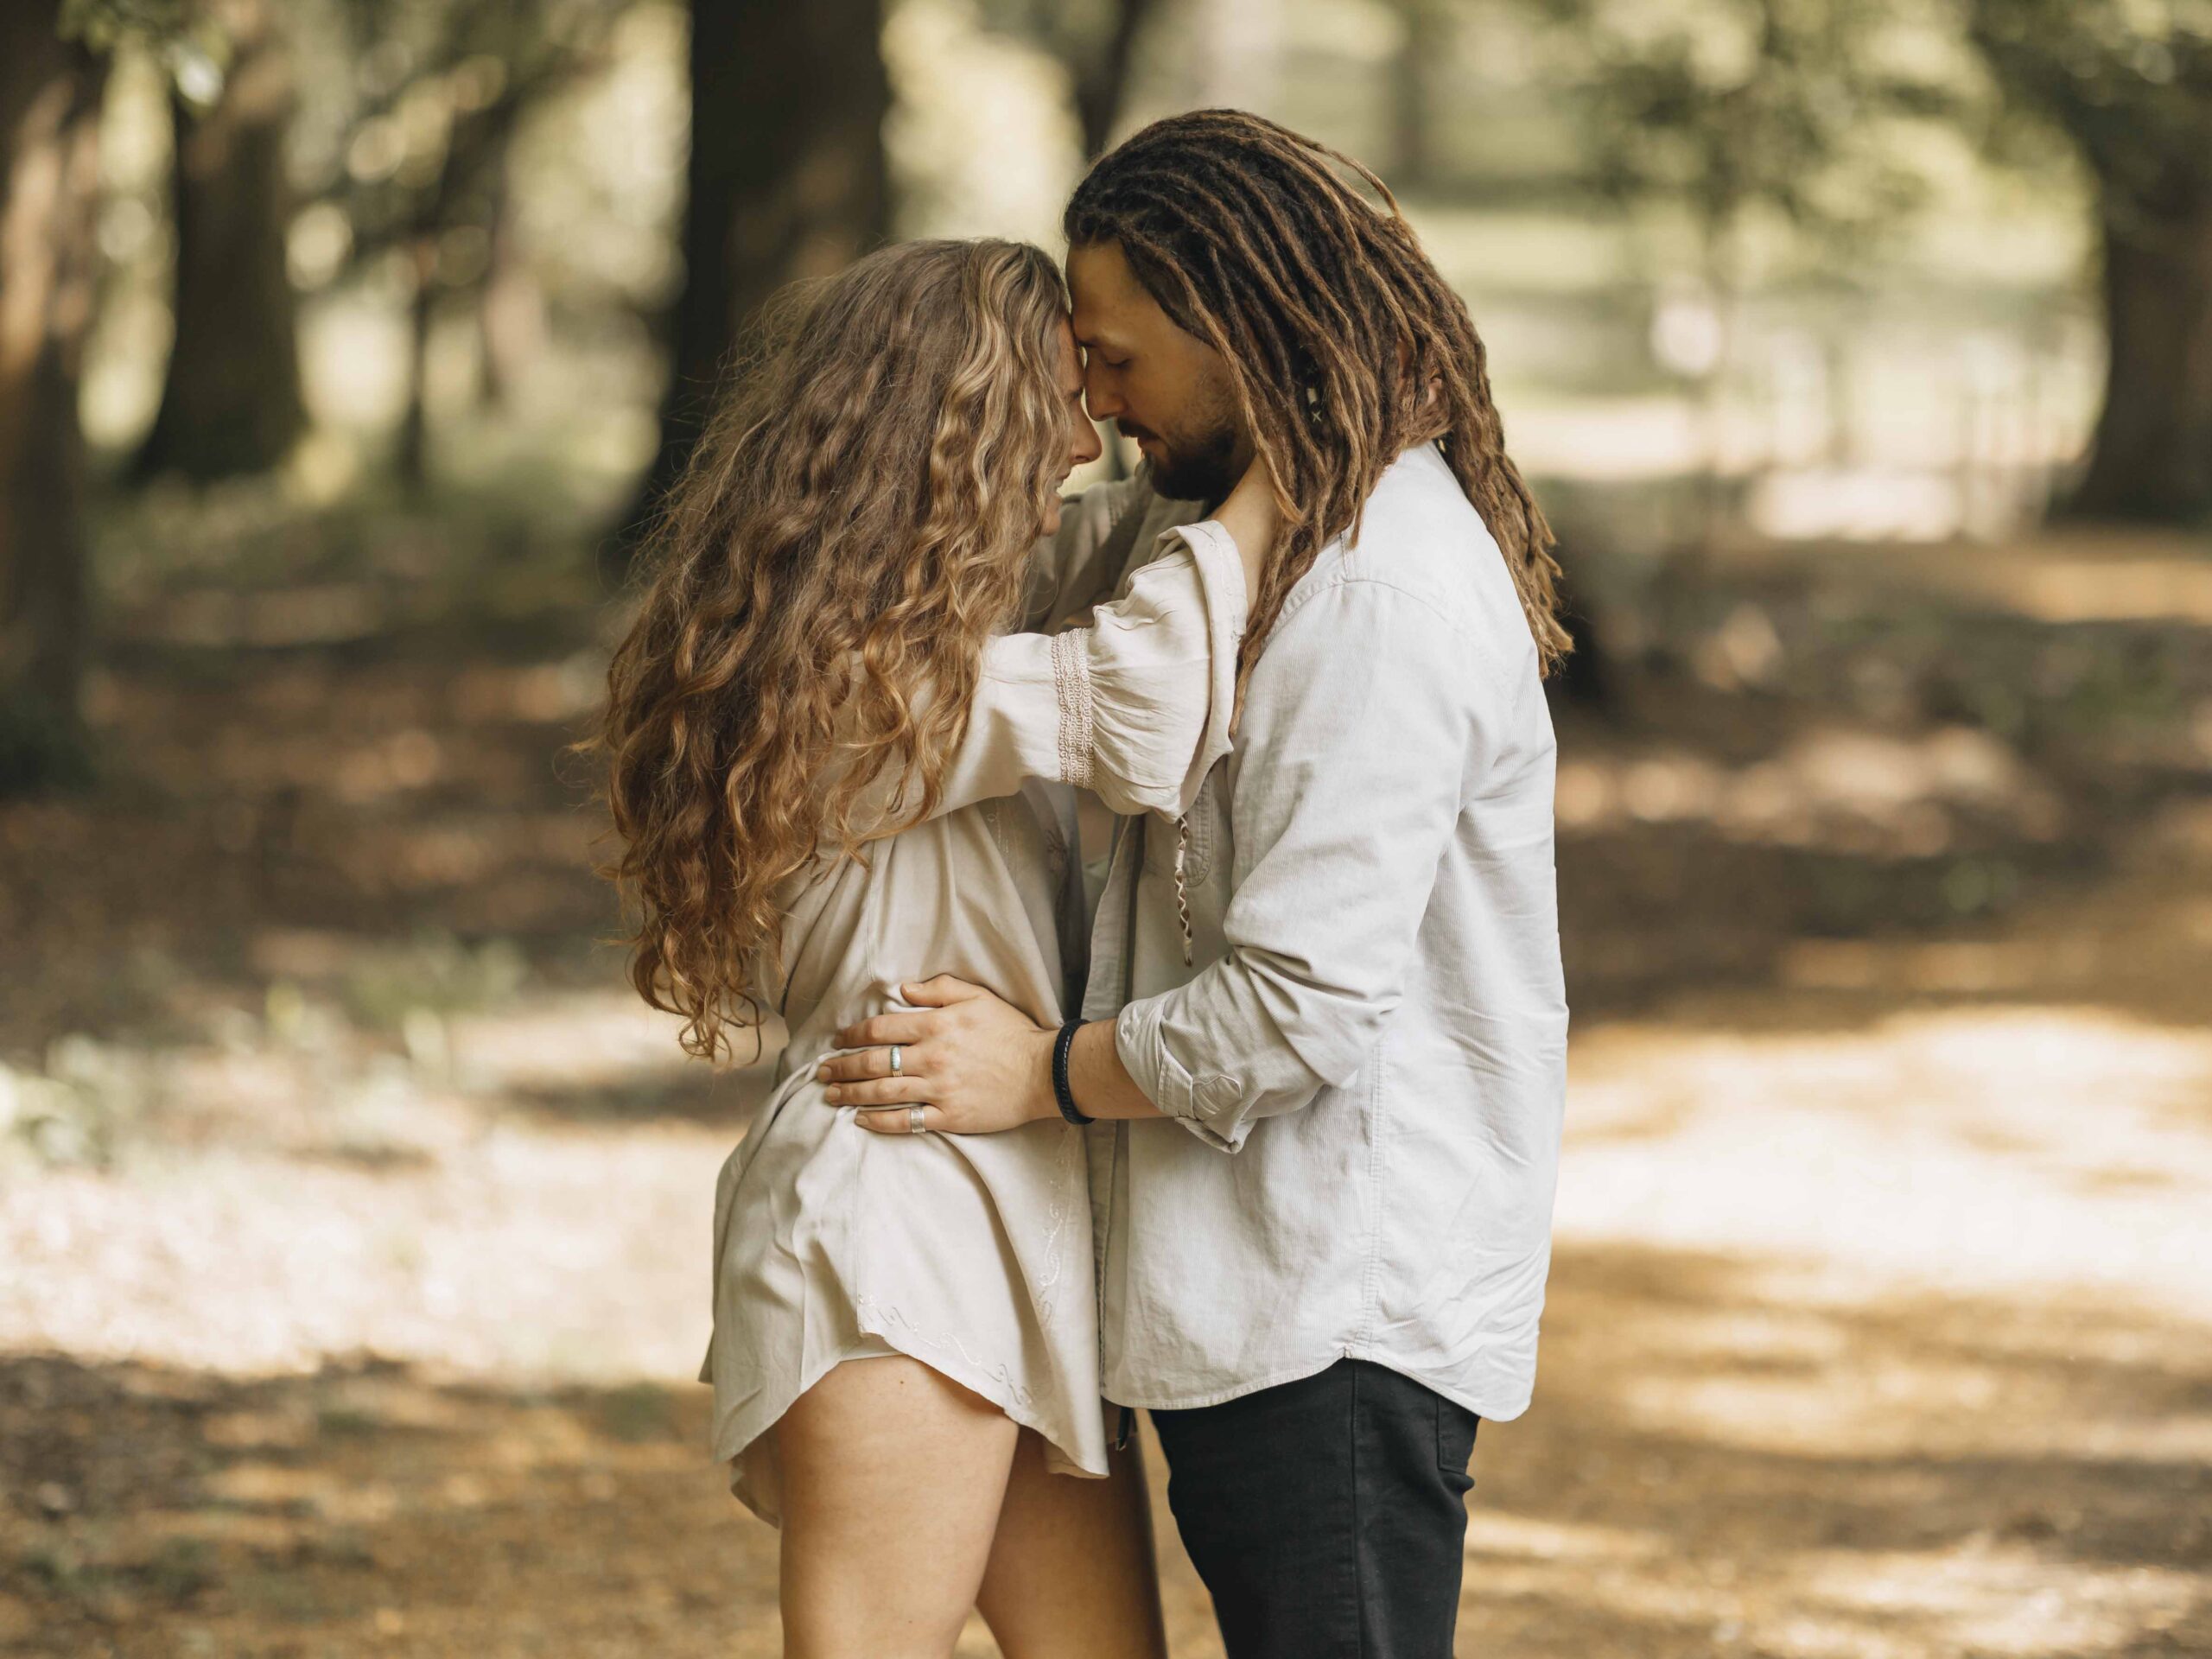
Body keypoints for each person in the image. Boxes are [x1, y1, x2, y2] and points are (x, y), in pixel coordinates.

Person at [814, 111, 1573, 1656]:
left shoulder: (1374, 592)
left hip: (1334, 1319)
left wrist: (1044, 1077)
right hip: (1243, 1290)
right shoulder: (1231, 533)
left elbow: (1299, 1011)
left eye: (1114, 361)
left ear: (1233, 330)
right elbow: (1043, 589)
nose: (1094, 411)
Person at [593, 237, 1279, 1659]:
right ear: (955, 431)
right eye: (1061, 402)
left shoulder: (941, 630)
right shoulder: (856, 686)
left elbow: (1143, 564)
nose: (1091, 439)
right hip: (897, 1209)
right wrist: (1299, 465)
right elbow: (1149, 696)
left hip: (1002, 1194)